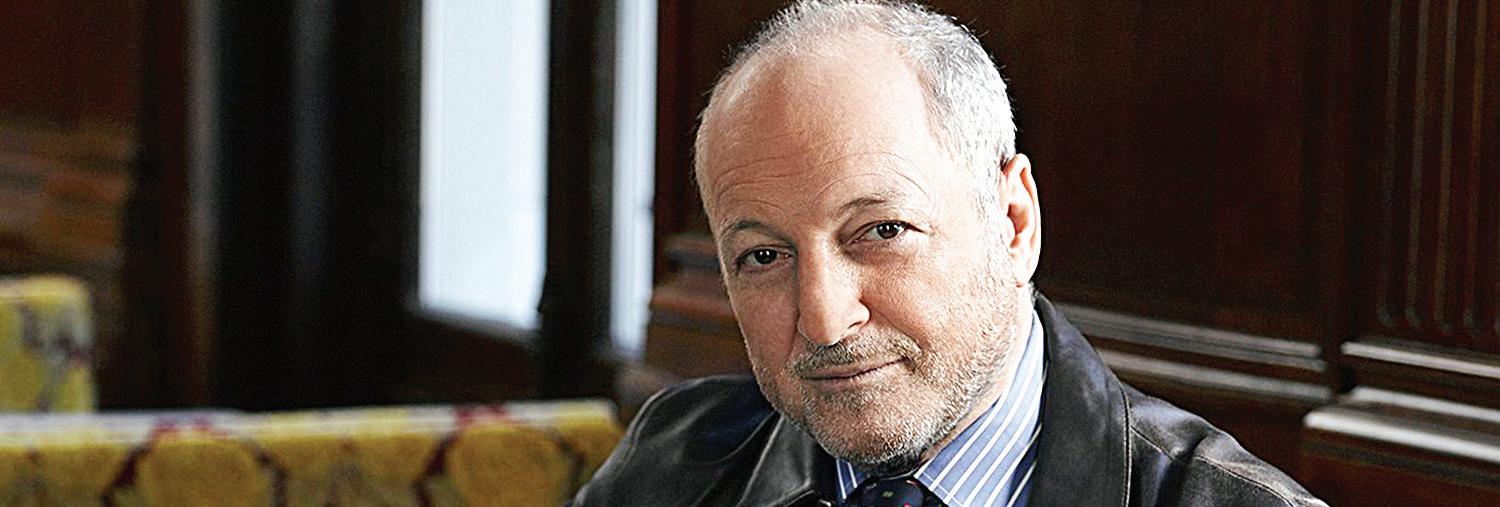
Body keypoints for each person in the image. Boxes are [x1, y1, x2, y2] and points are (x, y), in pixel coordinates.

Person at [573, 1, 1325, 505]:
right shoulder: (672, 462)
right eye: (765, 257)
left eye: (882, 231)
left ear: (1014, 222)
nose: (825, 320)